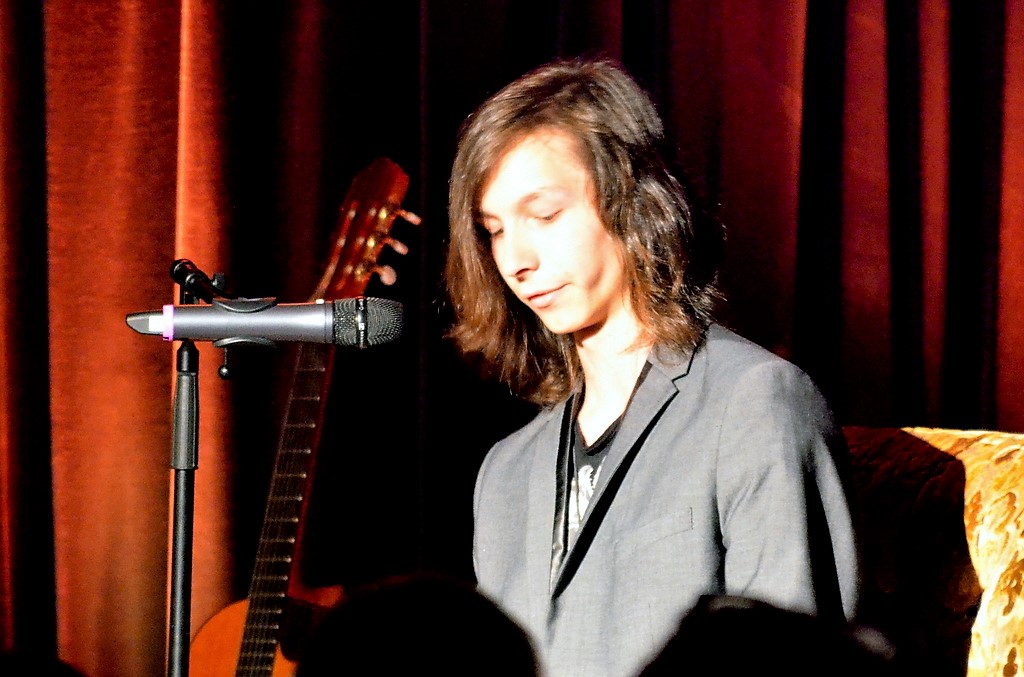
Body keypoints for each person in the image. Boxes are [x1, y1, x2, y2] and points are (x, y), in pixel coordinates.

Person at [445, 57, 860, 677]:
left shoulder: (755, 403)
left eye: (546, 215)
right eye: (494, 230)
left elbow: (794, 660)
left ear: (632, 202)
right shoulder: (506, 471)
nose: (516, 260)